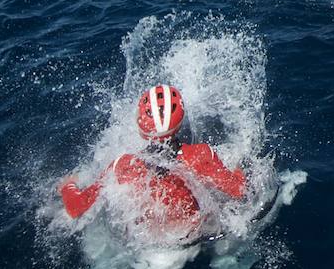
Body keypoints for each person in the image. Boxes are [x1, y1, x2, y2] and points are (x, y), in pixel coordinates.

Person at [57, 85, 247, 236]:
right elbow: (239, 191)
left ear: (140, 125)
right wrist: (240, 166)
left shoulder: (122, 165)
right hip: (193, 233)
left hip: (149, 237)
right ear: (181, 121)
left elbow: (76, 208)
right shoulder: (201, 154)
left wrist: (68, 186)